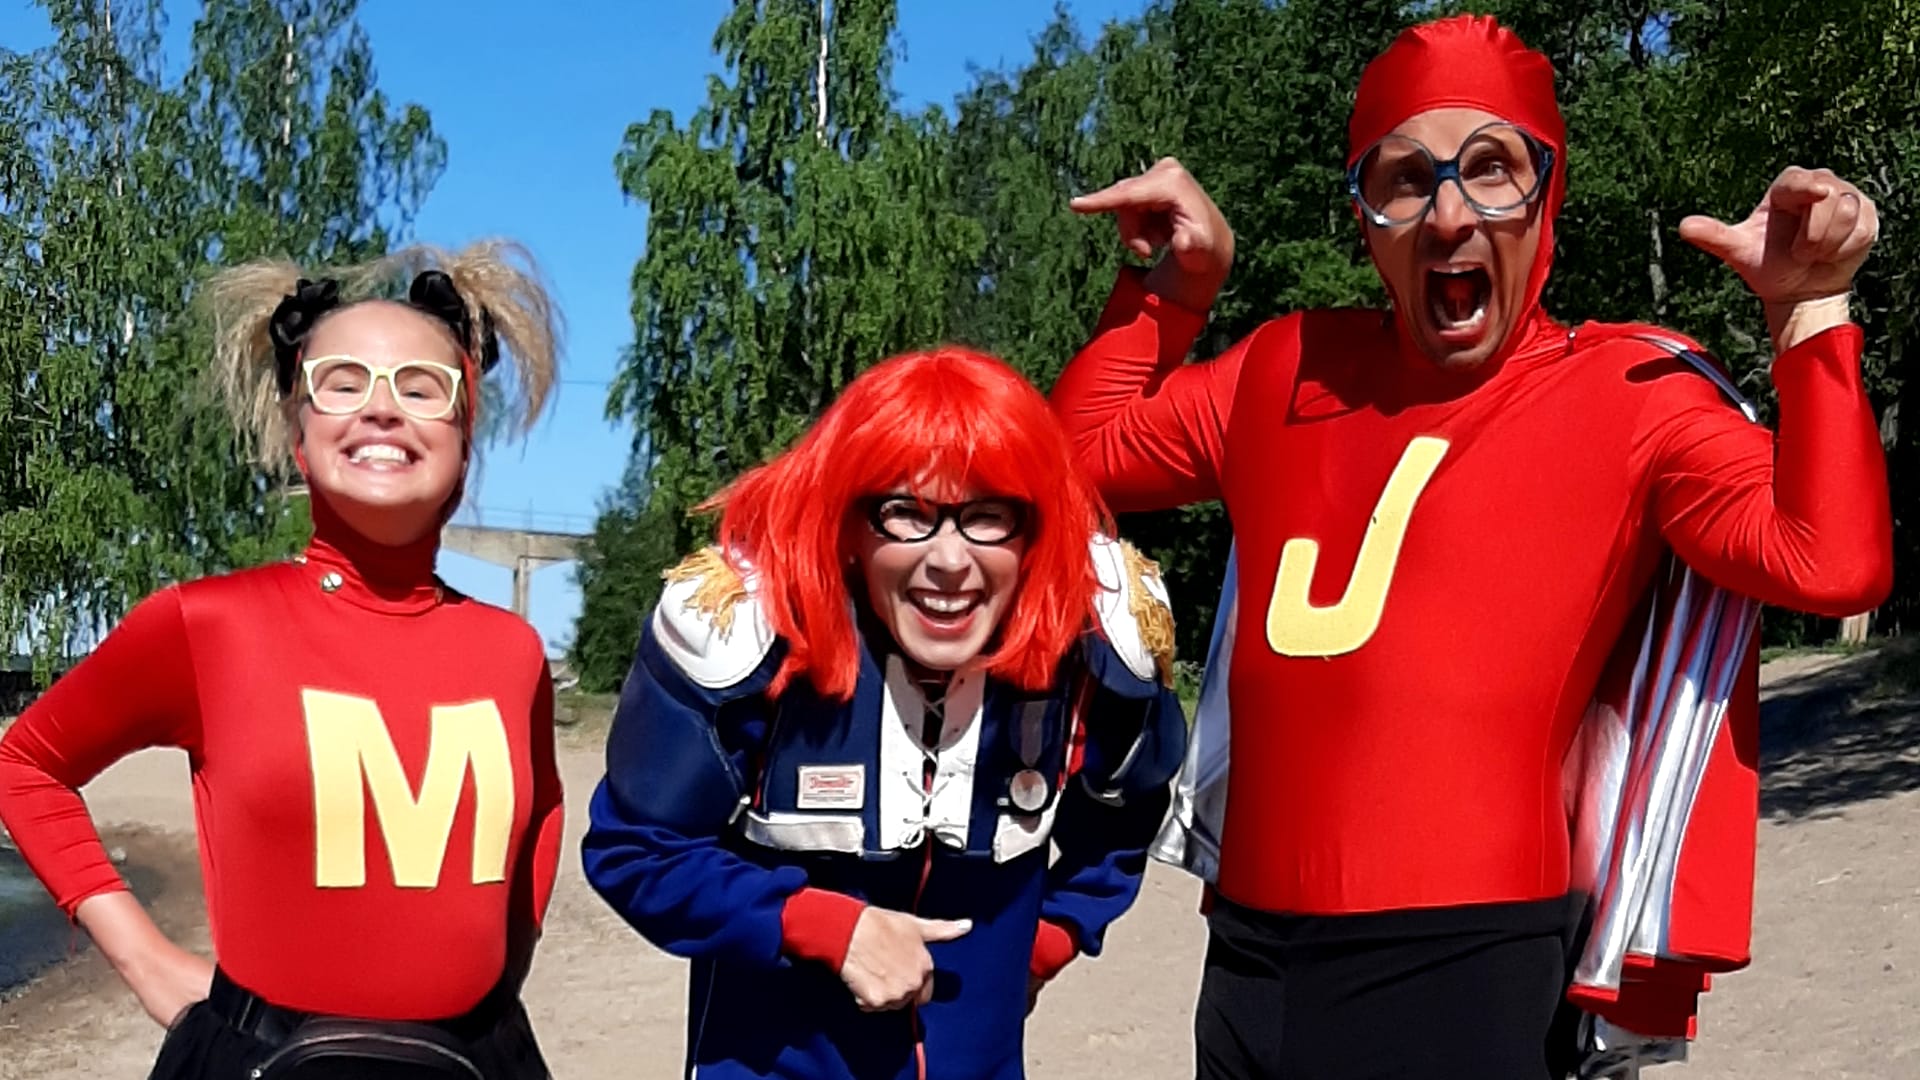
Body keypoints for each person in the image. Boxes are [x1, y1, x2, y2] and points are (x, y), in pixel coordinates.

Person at [1051, 13, 1892, 1080]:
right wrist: (1173, 293)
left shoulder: (1630, 392)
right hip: (1251, 962)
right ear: (1364, 215)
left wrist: (1811, 313)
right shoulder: (1283, 366)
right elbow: (1072, 462)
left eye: (1492, 169)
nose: (1449, 213)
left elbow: (1831, 562)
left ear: (1549, 193)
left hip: (1471, 961)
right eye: (1405, 179)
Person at [0, 241, 568, 1079]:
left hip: (481, 1060)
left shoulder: (511, 650)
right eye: (343, 383)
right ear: (300, 434)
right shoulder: (207, 625)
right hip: (263, 1060)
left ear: (464, 436)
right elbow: (27, 766)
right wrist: (145, 959)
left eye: (422, 388)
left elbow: (543, 813)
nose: (382, 409)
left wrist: (502, 973)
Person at [581, 346, 1188, 1080]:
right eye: (906, 513)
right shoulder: (747, 636)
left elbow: (1121, 821)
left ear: (1033, 532)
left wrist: (1050, 937)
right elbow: (636, 850)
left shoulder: (1092, 645)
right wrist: (817, 925)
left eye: (988, 516)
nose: (950, 562)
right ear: (849, 525)